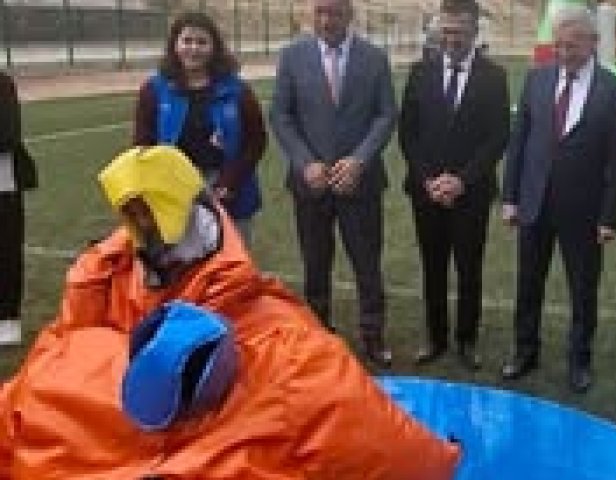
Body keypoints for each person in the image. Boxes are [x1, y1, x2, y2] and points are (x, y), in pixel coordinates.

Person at [0, 146, 460, 478]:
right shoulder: (110, 281)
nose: (144, 228)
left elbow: (374, 436)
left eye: (149, 213)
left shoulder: (285, 352)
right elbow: (46, 379)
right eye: (133, 217)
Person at [500, 4, 616, 394]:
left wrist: (609, 217)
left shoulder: (614, 90)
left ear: (593, 43)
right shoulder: (536, 80)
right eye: (558, 45)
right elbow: (519, 142)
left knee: (583, 290)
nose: (563, 52)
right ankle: (525, 351)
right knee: (528, 284)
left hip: (583, 212)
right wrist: (510, 197)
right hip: (534, 203)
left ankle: (579, 361)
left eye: (571, 45)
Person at [270, 0, 397, 367]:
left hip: (361, 183)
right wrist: (304, 162)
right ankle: (319, 333)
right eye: (321, 12)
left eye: (336, 12)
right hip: (311, 185)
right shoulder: (292, 56)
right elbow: (281, 115)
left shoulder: (374, 58)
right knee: (315, 263)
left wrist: (360, 159)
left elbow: (386, 115)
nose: (327, 20)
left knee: (367, 265)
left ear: (349, 14)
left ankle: (373, 336)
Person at [398, 0, 510, 371]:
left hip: (471, 194)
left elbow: (497, 137)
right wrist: (428, 179)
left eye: (459, 32)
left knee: (469, 269)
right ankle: (436, 337)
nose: (451, 39)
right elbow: (408, 134)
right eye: (446, 31)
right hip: (426, 192)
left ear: (475, 32)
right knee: (432, 266)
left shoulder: (494, 77)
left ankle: (466, 339)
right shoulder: (420, 72)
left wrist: (461, 180)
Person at [133, 11, 266, 245]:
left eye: (202, 42)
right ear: (175, 45)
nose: (193, 48)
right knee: (180, 262)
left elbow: (256, 141)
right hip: (174, 191)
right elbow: (142, 143)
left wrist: (229, 182)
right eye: (187, 41)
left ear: (214, 47)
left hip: (229, 190)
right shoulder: (153, 90)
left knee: (230, 263)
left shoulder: (238, 91)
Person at [0, 71, 36, 346]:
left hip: (3, 183)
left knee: (6, 251)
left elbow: (7, 134)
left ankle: (8, 318)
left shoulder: (2, 83)